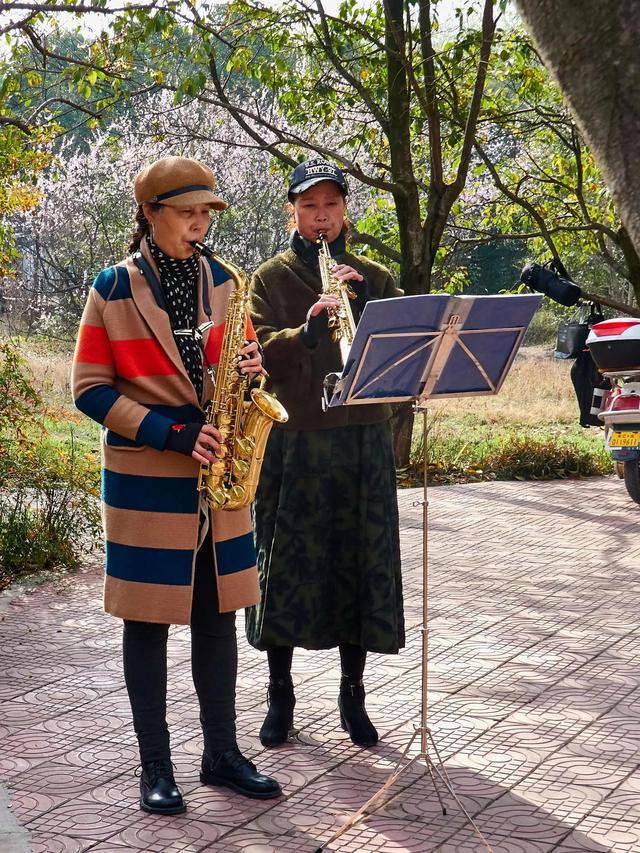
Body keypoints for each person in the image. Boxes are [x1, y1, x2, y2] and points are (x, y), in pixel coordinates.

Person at [71, 156, 281, 815]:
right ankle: (154, 767)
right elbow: (88, 389)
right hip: (150, 474)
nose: (199, 225)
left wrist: (251, 367)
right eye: (187, 214)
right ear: (150, 215)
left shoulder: (224, 282)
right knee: (149, 623)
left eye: (206, 214)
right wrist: (170, 432)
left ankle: (220, 752)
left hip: (220, 477)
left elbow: (247, 372)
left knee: (219, 617)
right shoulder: (112, 287)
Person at [246, 158, 405, 748]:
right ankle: (279, 695)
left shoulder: (374, 276)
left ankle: (353, 696)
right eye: (309, 206)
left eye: (331, 206)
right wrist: (308, 331)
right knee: (281, 567)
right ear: (292, 211)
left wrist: (361, 310)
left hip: (361, 436)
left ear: (345, 212)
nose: (321, 216)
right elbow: (257, 351)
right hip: (295, 440)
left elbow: (405, 350)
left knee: (358, 565)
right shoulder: (269, 278)